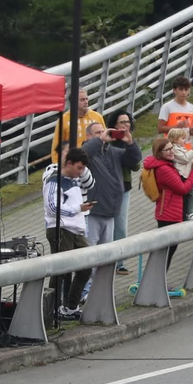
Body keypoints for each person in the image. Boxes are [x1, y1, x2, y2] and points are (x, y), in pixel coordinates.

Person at [44, 146, 93, 319]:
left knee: (86, 266)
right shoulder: (54, 180)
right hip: (60, 229)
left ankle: (70, 306)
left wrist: (79, 210)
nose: (80, 172)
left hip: (75, 231)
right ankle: (53, 308)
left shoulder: (73, 181)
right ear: (69, 163)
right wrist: (77, 209)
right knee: (61, 271)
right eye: (79, 168)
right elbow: (52, 207)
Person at [81, 119, 141, 249]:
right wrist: (100, 140)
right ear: (88, 136)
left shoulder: (113, 151)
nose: (103, 134)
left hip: (110, 212)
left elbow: (134, 160)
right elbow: (83, 155)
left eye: (103, 131)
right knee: (90, 252)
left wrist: (130, 143)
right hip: (93, 212)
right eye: (98, 133)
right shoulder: (86, 151)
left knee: (107, 252)